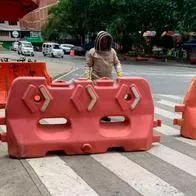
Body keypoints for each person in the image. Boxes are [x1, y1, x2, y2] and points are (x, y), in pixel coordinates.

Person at [84, 31, 123, 121]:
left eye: (106, 40)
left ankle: (104, 114)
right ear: (98, 41)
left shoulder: (112, 52)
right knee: (96, 99)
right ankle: (95, 115)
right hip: (96, 80)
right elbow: (87, 66)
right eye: (102, 40)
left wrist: (120, 75)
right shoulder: (92, 52)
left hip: (108, 81)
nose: (104, 42)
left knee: (107, 99)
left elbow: (117, 63)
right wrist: (87, 78)